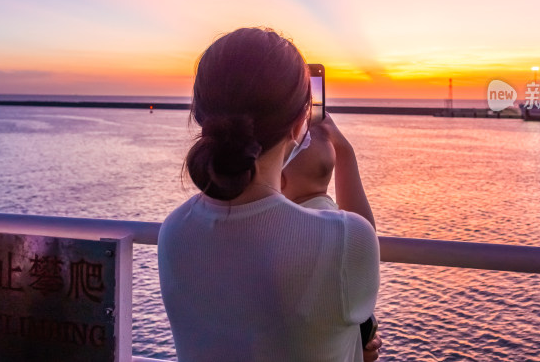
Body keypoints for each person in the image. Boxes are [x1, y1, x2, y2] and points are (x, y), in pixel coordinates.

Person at [158, 28, 380, 362]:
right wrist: (343, 153)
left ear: (201, 115)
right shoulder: (344, 238)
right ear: (297, 125)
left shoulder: (173, 231)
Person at [281, 115, 383, 361]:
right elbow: (363, 232)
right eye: (302, 138)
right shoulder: (337, 234)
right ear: (280, 178)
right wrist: (344, 150)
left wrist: (343, 150)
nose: (309, 129)